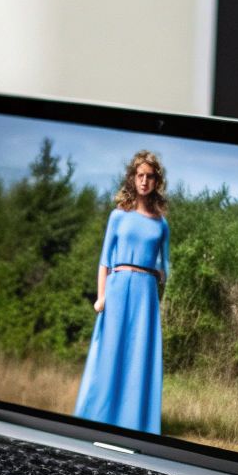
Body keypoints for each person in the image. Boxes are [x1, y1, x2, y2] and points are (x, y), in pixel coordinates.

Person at [74, 150, 170, 435]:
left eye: (150, 177)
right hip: (117, 289)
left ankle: (136, 424)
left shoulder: (161, 224)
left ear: (156, 181)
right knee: (110, 352)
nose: (144, 181)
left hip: (146, 295)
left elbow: (165, 267)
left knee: (139, 356)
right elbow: (104, 260)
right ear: (132, 178)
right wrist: (100, 296)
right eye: (140, 175)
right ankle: (95, 418)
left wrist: (159, 285)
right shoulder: (118, 216)